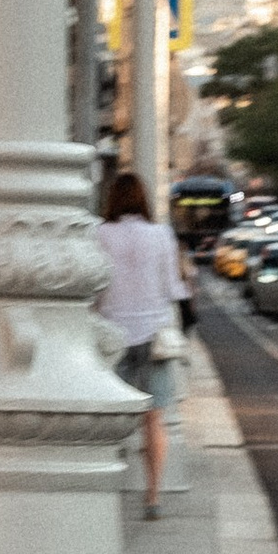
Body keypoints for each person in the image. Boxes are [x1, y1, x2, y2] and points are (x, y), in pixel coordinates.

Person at [97, 169, 181, 519]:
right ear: (143, 198)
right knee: (154, 419)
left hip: (112, 336)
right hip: (154, 335)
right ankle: (152, 496)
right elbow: (172, 287)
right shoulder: (161, 235)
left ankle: (108, 492)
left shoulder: (97, 234)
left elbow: (94, 286)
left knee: (109, 421)